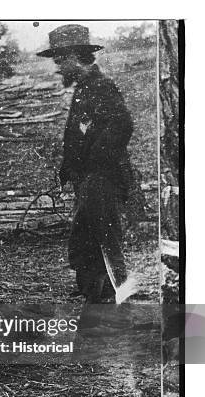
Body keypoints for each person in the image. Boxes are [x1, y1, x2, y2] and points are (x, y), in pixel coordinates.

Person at [37, 24, 142, 303]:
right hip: (90, 178)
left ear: (76, 56)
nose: (57, 67)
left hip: (101, 178)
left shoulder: (100, 86)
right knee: (84, 237)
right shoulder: (85, 87)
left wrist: (95, 164)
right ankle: (93, 292)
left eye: (61, 60)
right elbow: (81, 135)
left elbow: (122, 124)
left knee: (106, 240)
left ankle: (120, 297)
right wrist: (71, 168)